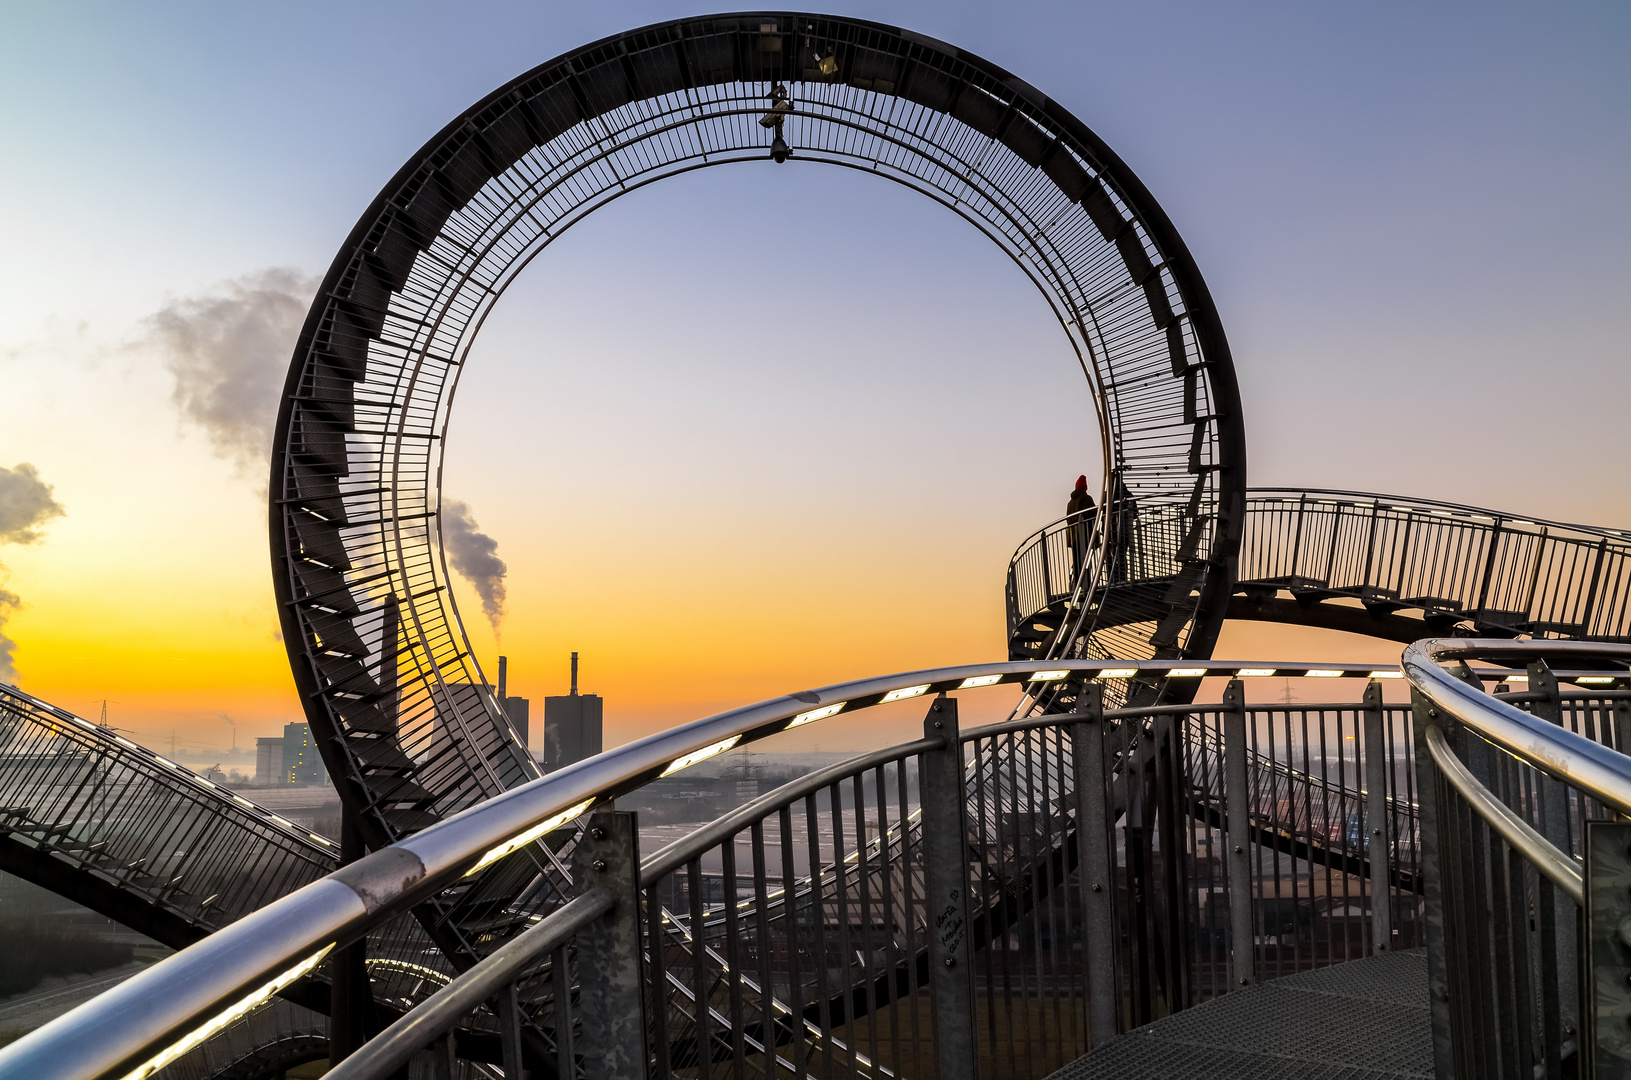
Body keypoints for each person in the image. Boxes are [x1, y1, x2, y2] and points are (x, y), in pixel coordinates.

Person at [1066, 475, 1097, 580]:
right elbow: (1093, 513)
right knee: (1085, 561)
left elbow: (1068, 520)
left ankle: (1078, 584)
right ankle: (1086, 583)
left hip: (1073, 537)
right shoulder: (1086, 498)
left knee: (1077, 561)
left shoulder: (1070, 503)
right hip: (1085, 535)